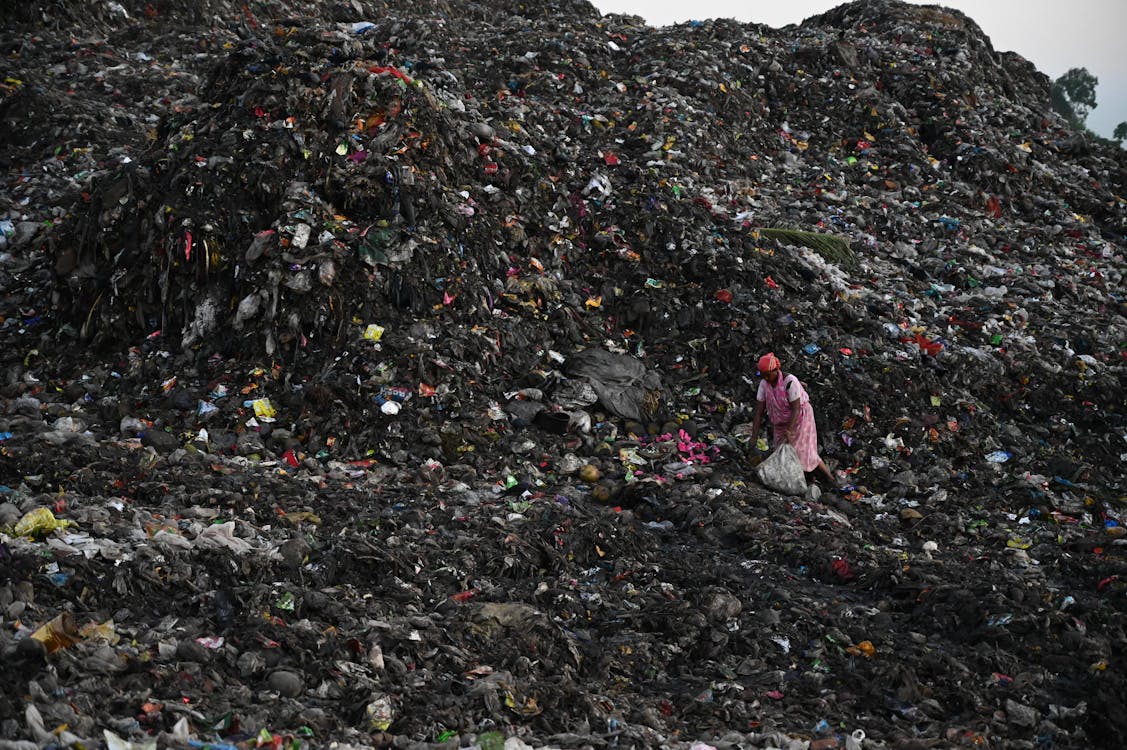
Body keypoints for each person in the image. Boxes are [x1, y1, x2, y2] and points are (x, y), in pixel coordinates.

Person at [749, 352, 838, 485]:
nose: (766, 378)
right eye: (763, 375)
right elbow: (759, 412)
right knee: (781, 452)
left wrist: (789, 431)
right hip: (780, 422)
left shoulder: (789, 382)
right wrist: (754, 437)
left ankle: (829, 479)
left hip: (800, 419)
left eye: (768, 374)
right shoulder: (764, 384)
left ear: (776, 370)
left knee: (803, 452)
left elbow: (796, 409)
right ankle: (797, 480)